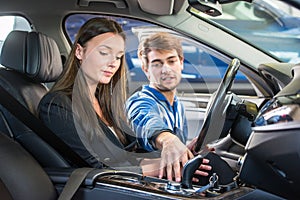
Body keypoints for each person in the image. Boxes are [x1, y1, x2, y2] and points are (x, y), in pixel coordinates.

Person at [38, 18, 211, 179]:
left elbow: (131, 154)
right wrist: (163, 163)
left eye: (119, 56)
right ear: (79, 52)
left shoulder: (107, 103)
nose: (113, 62)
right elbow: (98, 171)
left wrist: (177, 154)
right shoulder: (56, 105)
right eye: (104, 52)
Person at [126, 32, 212, 182]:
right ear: (146, 69)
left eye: (171, 61)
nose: (166, 69)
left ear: (181, 62)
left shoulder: (177, 105)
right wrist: (167, 140)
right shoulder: (141, 102)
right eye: (157, 64)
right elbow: (146, 121)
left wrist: (185, 150)